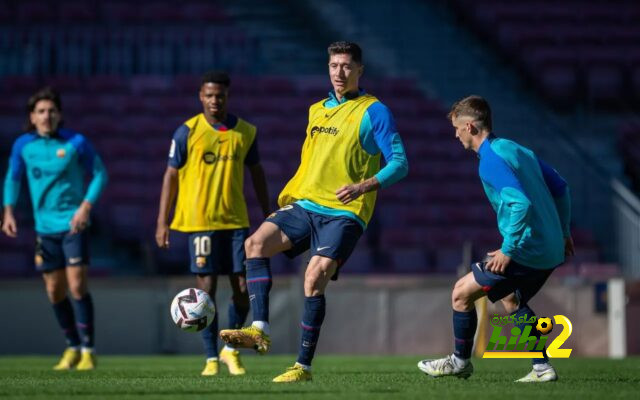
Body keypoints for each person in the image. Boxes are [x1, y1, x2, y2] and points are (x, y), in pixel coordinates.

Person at [219, 41, 409, 383]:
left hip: (344, 211)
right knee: (254, 245)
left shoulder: (374, 111)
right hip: (305, 204)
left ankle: (302, 367)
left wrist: (362, 186)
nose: (340, 72)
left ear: (360, 70)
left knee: (313, 276)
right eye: (334, 65)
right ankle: (259, 329)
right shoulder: (316, 109)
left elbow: (400, 163)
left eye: (347, 66)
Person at [417, 95, 573, 382]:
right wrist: (563, 233)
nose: (455, 134)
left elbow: (521, 204)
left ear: (472, 127)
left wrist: (508, 249)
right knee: (510, 299)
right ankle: (542, 368)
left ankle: (460, 362)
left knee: (461, 293)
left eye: (458, 128)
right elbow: (561, 187)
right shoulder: (515, 148)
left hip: (527, 249)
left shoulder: (490, 159)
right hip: (551, 249)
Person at [155, 71, 270, 376]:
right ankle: (209, 358)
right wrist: (162, 222)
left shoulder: (246, 132)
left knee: (243, 289)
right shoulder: (186, 132)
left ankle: (230, 350)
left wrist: (268, 210)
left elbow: (257, 172)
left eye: (219, 95)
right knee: (205, 292)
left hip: (235, 221)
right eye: (209, 95)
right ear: (200, 96)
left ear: (227, 96)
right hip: (200, 223)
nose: (214, 100)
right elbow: (170, 175)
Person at [2, 87, 108, 370]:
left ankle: (88, 350)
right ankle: (72, 347)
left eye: (51, 111)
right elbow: (12, 178)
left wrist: (85, 207)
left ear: (59, 115)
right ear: (32, 117)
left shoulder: (76, 142)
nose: (46, 116)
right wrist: (8, 211)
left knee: (76, 286)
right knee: (54, 291)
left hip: (73, 225)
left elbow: (100, 173)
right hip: (44, 230)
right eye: (41, 111)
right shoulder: (23, 145)